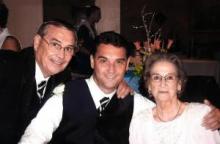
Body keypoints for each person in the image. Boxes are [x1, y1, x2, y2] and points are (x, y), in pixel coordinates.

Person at [19, 31, 155, 144]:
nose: (111, 70)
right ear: (92, 61)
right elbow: (35, 134)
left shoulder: (136, 103)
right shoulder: (65, 96)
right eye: (103, 61)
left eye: (118, 62)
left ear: (127, 65)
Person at [0, 20, 78, 143]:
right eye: (55, 45)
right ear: (37, 42)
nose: (61, 55)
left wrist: (118, 83)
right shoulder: (8, 66)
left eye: (68, 49)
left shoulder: (63, 76)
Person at [129, 53, 220, 144]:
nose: (163, 83)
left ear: (179, 84)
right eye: (156, 77)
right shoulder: (139, 122)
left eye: (169, 77)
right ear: (149, 85)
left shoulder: (200, 115)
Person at [70, 5, 101, 76]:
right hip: (82, 65)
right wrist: (92, 55)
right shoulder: (84, 28)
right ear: (93, 14)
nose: (100, 17)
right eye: (98, 14)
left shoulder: (91, 28)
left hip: (87, 63)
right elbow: (79, 47)